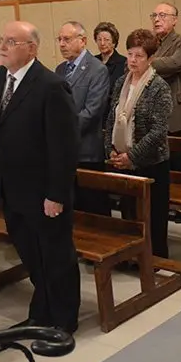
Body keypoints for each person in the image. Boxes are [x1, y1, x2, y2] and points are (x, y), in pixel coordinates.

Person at [0, 21, 80, 334]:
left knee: (56, 257)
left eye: (12, 41)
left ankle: (63, 321)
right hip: (10, 188)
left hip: (43, 192)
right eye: (2, 40)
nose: (3, 46)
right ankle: (41, 312)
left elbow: (63, 147)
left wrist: (57, 194)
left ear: (32, 48)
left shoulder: (50, 85)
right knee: (30, 255)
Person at [105, 29, 173, 258]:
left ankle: (155, 259)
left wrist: (132, 156)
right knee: (129, 213)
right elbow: (111, 118)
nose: (133, 60)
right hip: (122, 161)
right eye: (130, 54)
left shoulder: (158, 87)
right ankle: (132, 257)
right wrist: (112, 151)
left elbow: (158, 132)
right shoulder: (121, 83)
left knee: (153, 216)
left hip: (151, 163)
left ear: (151, 58)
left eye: (139, 56)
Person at [54, 21, 111, 216]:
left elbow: (92, 111)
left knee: (93, 206)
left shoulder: (97, 69)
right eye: (59, 39)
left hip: (87, 149)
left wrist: (63, 132)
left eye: (67, 39)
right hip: (65, 151)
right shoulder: (60, 70)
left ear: (83, 41)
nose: (62, 44)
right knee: (72, 206)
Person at [150, 3, 181, 171]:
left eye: (162, 15)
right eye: (154, 16)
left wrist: (147, 64)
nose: (157, 20)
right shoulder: (151, 42)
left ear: (174, 20)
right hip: (154, 111)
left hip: (176, 111)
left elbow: (175, 63)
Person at [94, 21, 127, 100]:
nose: (102, 43)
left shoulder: (123, 62)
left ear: (114, 42)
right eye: (99, 39)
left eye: (106, 40)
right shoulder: (93, 61)